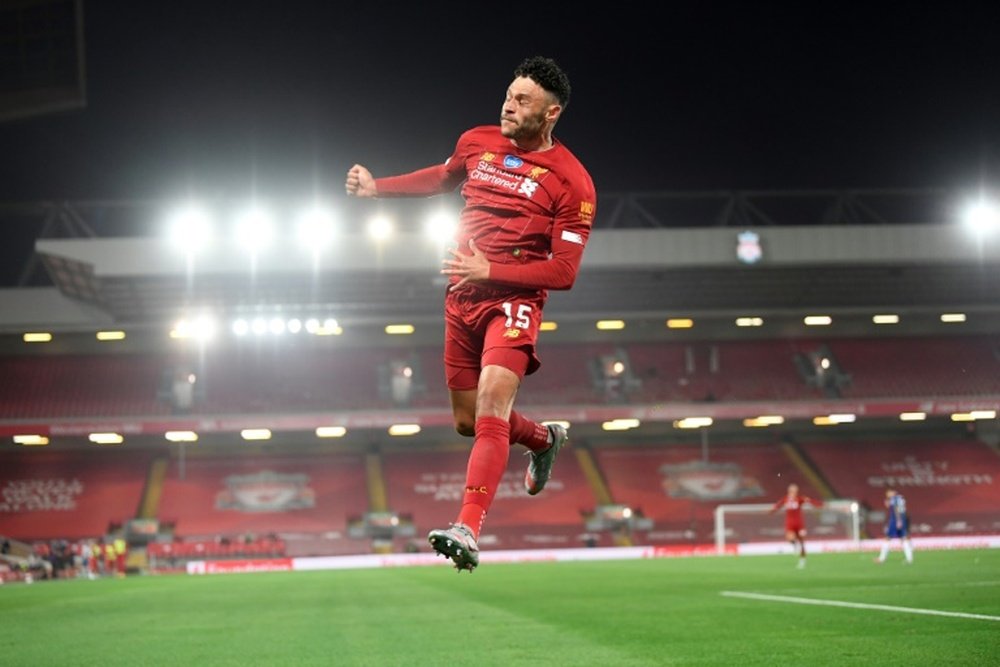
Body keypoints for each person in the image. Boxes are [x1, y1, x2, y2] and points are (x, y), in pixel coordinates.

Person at [346, 56, 596, 572]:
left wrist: (494, 269)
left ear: (550, 114)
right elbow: (441, 177)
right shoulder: (476, 141)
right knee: (468, 422)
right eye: (508, 93)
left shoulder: (573, 182)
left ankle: (467, 527)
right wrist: (378, 190)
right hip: (461, 297)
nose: (508, 103)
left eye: (523, 100)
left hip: (514, 303)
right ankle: (544, 438)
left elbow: (565, 272)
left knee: (489, 406)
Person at [768, 483, 823, 568]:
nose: (793, 492)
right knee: (789, 538)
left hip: (799, 523)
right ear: (789, 491)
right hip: (790, 523)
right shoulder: (785, 499)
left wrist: (819, 505)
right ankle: (794, 544)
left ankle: (802, 560)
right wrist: (772, 511)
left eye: (795, 490)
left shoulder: (799, 499)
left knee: (802, 543)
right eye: (792, 490)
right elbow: (778, 505)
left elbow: (809, 501)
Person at [875, 488, 913, 564]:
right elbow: (903, 510)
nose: (887, 494)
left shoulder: (894, 499)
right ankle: (909, 559)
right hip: (902, 519)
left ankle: (882, 559)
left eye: (888, 493)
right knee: (904, 538)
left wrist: (898, 520)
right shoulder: (901, 498)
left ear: (892, 492)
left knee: (887, 538)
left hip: (895, 520)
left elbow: (895, 509)